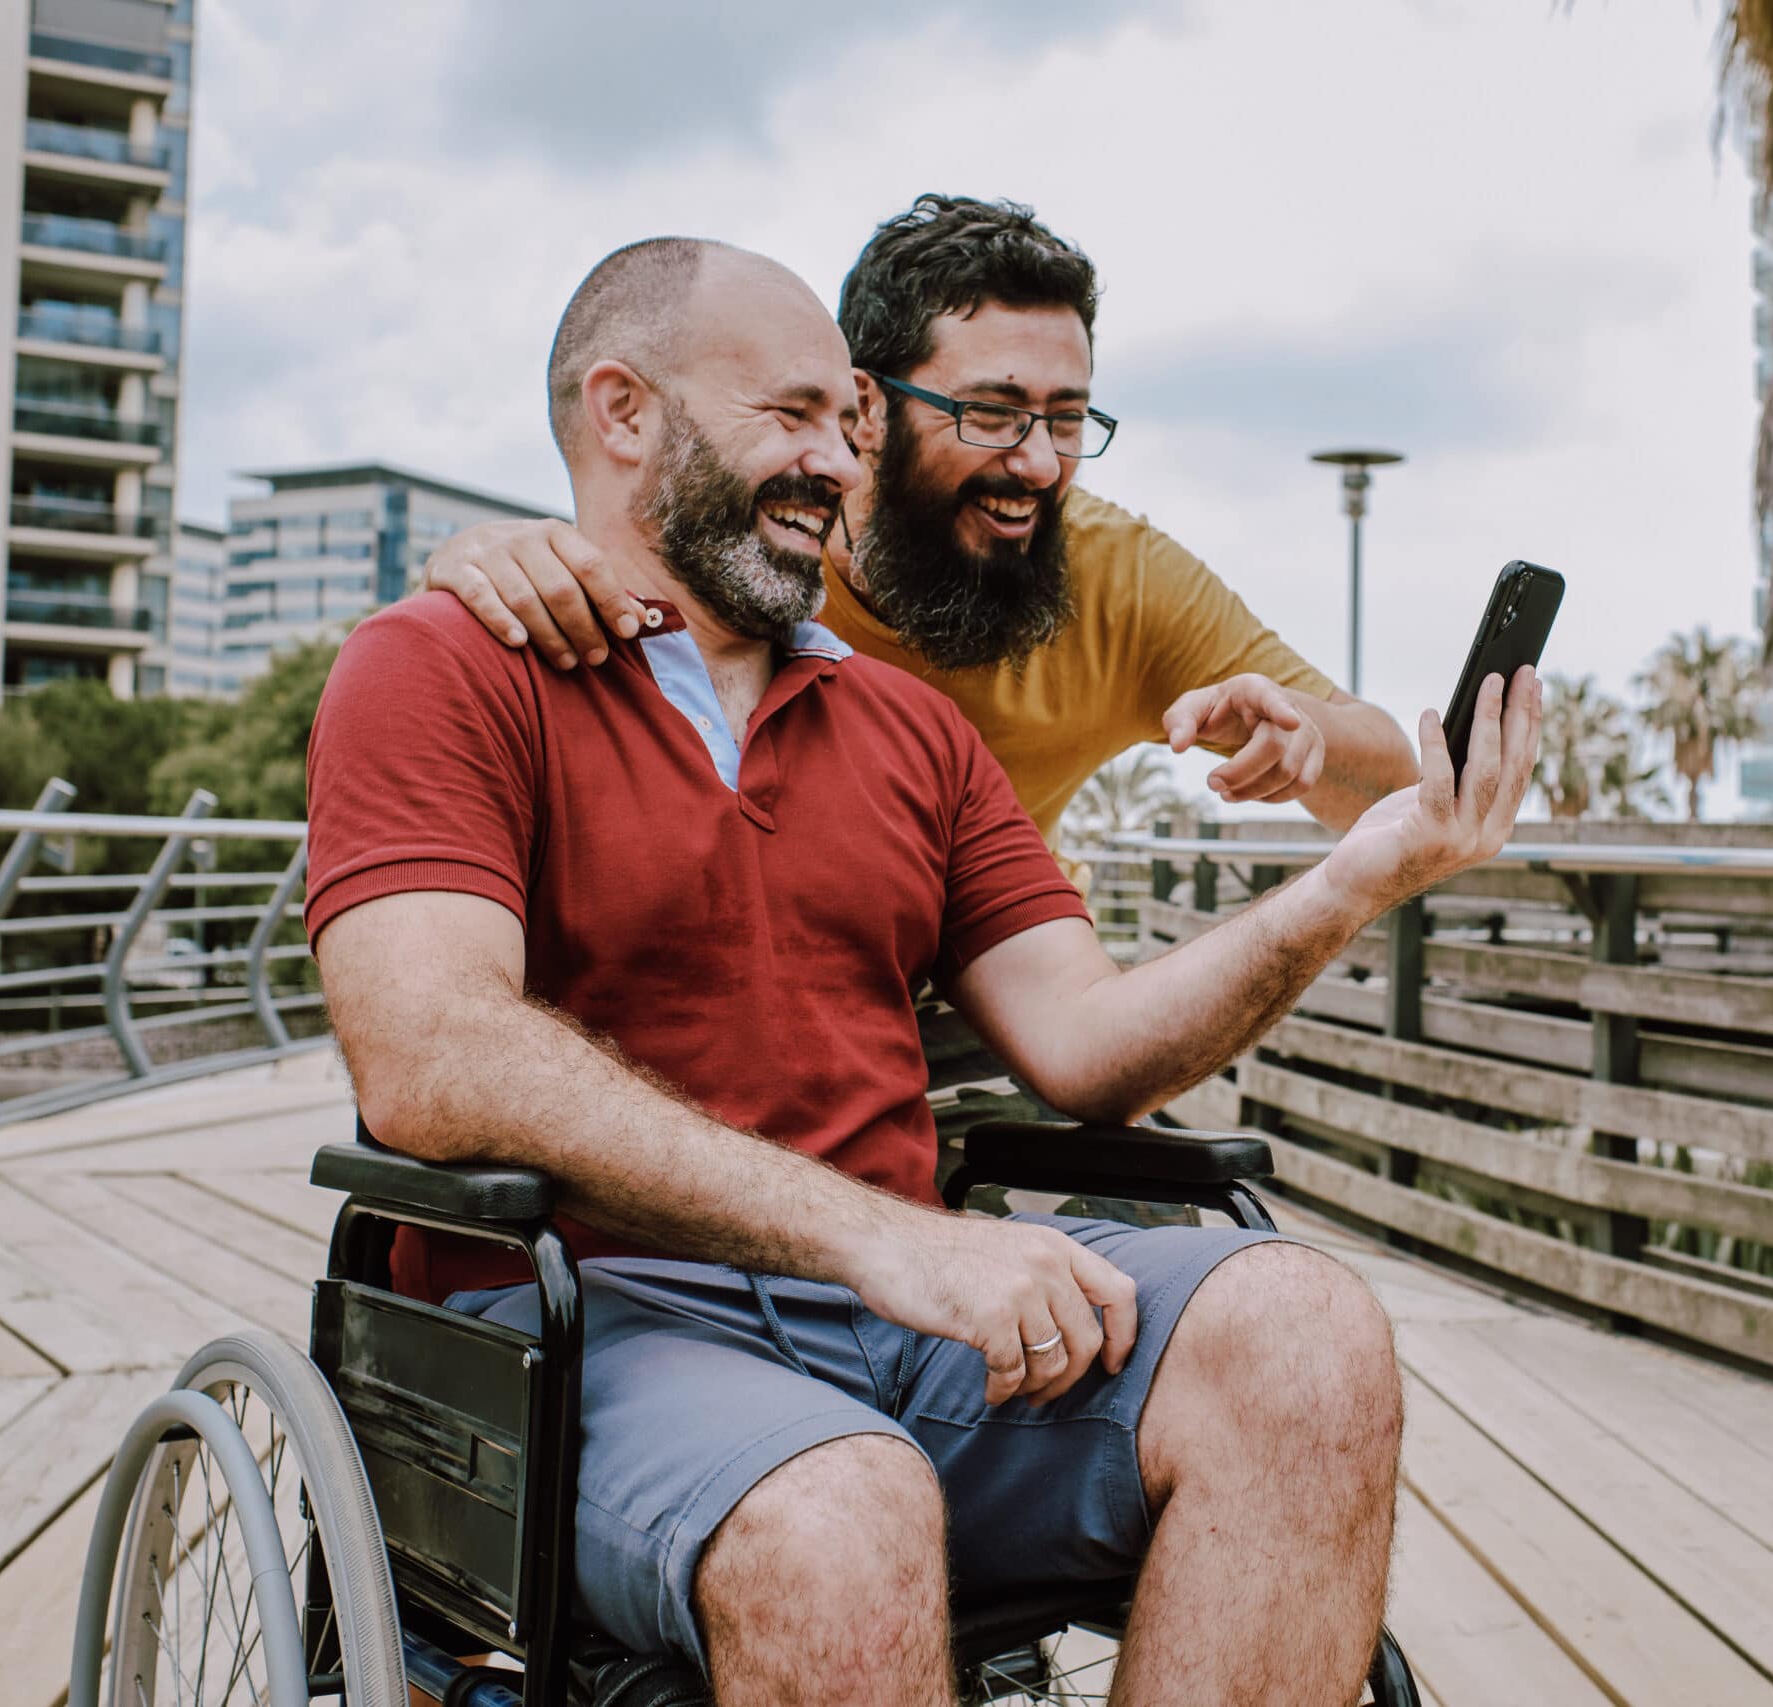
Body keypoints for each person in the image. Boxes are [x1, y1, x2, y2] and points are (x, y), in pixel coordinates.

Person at [308, 236, 1542, 1706]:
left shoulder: (910, 731)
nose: (837, 460)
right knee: (844, 1505)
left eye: (847, 423)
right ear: (623, 411)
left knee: (1305, 1329)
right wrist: (888, 1240)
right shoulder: (439, 665)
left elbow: (1085, 1042)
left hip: (902, 1325)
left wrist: (1350, 881)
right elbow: (431, 1053)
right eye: (794, 416)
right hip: (587, 1329)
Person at [422, 194, 1421, 848]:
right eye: (988, 413)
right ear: (866, 410)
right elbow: (621, 557)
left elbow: (1392, 782)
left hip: (1009, 1022)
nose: (1034, 462)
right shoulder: (764, 547)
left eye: (1067, 420)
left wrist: (1310, 740)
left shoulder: (1115, 573)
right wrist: (477, 557)